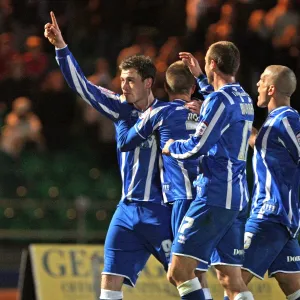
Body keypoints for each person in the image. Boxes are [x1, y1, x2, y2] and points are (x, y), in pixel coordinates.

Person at [44, 12, 172, 300]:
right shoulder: (120, 108)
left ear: (148, 83)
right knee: (110, 279)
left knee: (185, 275)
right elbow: (83, 87)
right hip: (126, 210)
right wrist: (61, 47)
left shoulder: (170, 114)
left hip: (160, 211)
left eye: (130, 80)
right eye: (122, 79)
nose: (123, 85)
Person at [162, 42, 255, 300]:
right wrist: (201, 79)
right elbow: (220, 106)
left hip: (214, 194)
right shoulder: (243, 97)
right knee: (230, 279)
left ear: (213, 63)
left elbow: (197, 146)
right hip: (236, 196)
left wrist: (171, 147)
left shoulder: (218, 100)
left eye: (206, 62)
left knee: (179, 272)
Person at [117, 60, 213, 299]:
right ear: (192, 89)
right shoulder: (206, 112)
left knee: (180, 273)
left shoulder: (161, 112)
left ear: (166, 88)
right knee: (201, 272)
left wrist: (121, 117)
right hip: (211, 196)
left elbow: (126, 143)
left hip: (183, 198)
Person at [241, 65, 300, 300]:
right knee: (293, 287)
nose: (258, 84)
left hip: (269, 216)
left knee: (232, 280)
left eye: (262, 80)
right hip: (282, 220)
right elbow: (259, 141)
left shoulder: (288, 120)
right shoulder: (274, 122)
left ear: (272, 89)